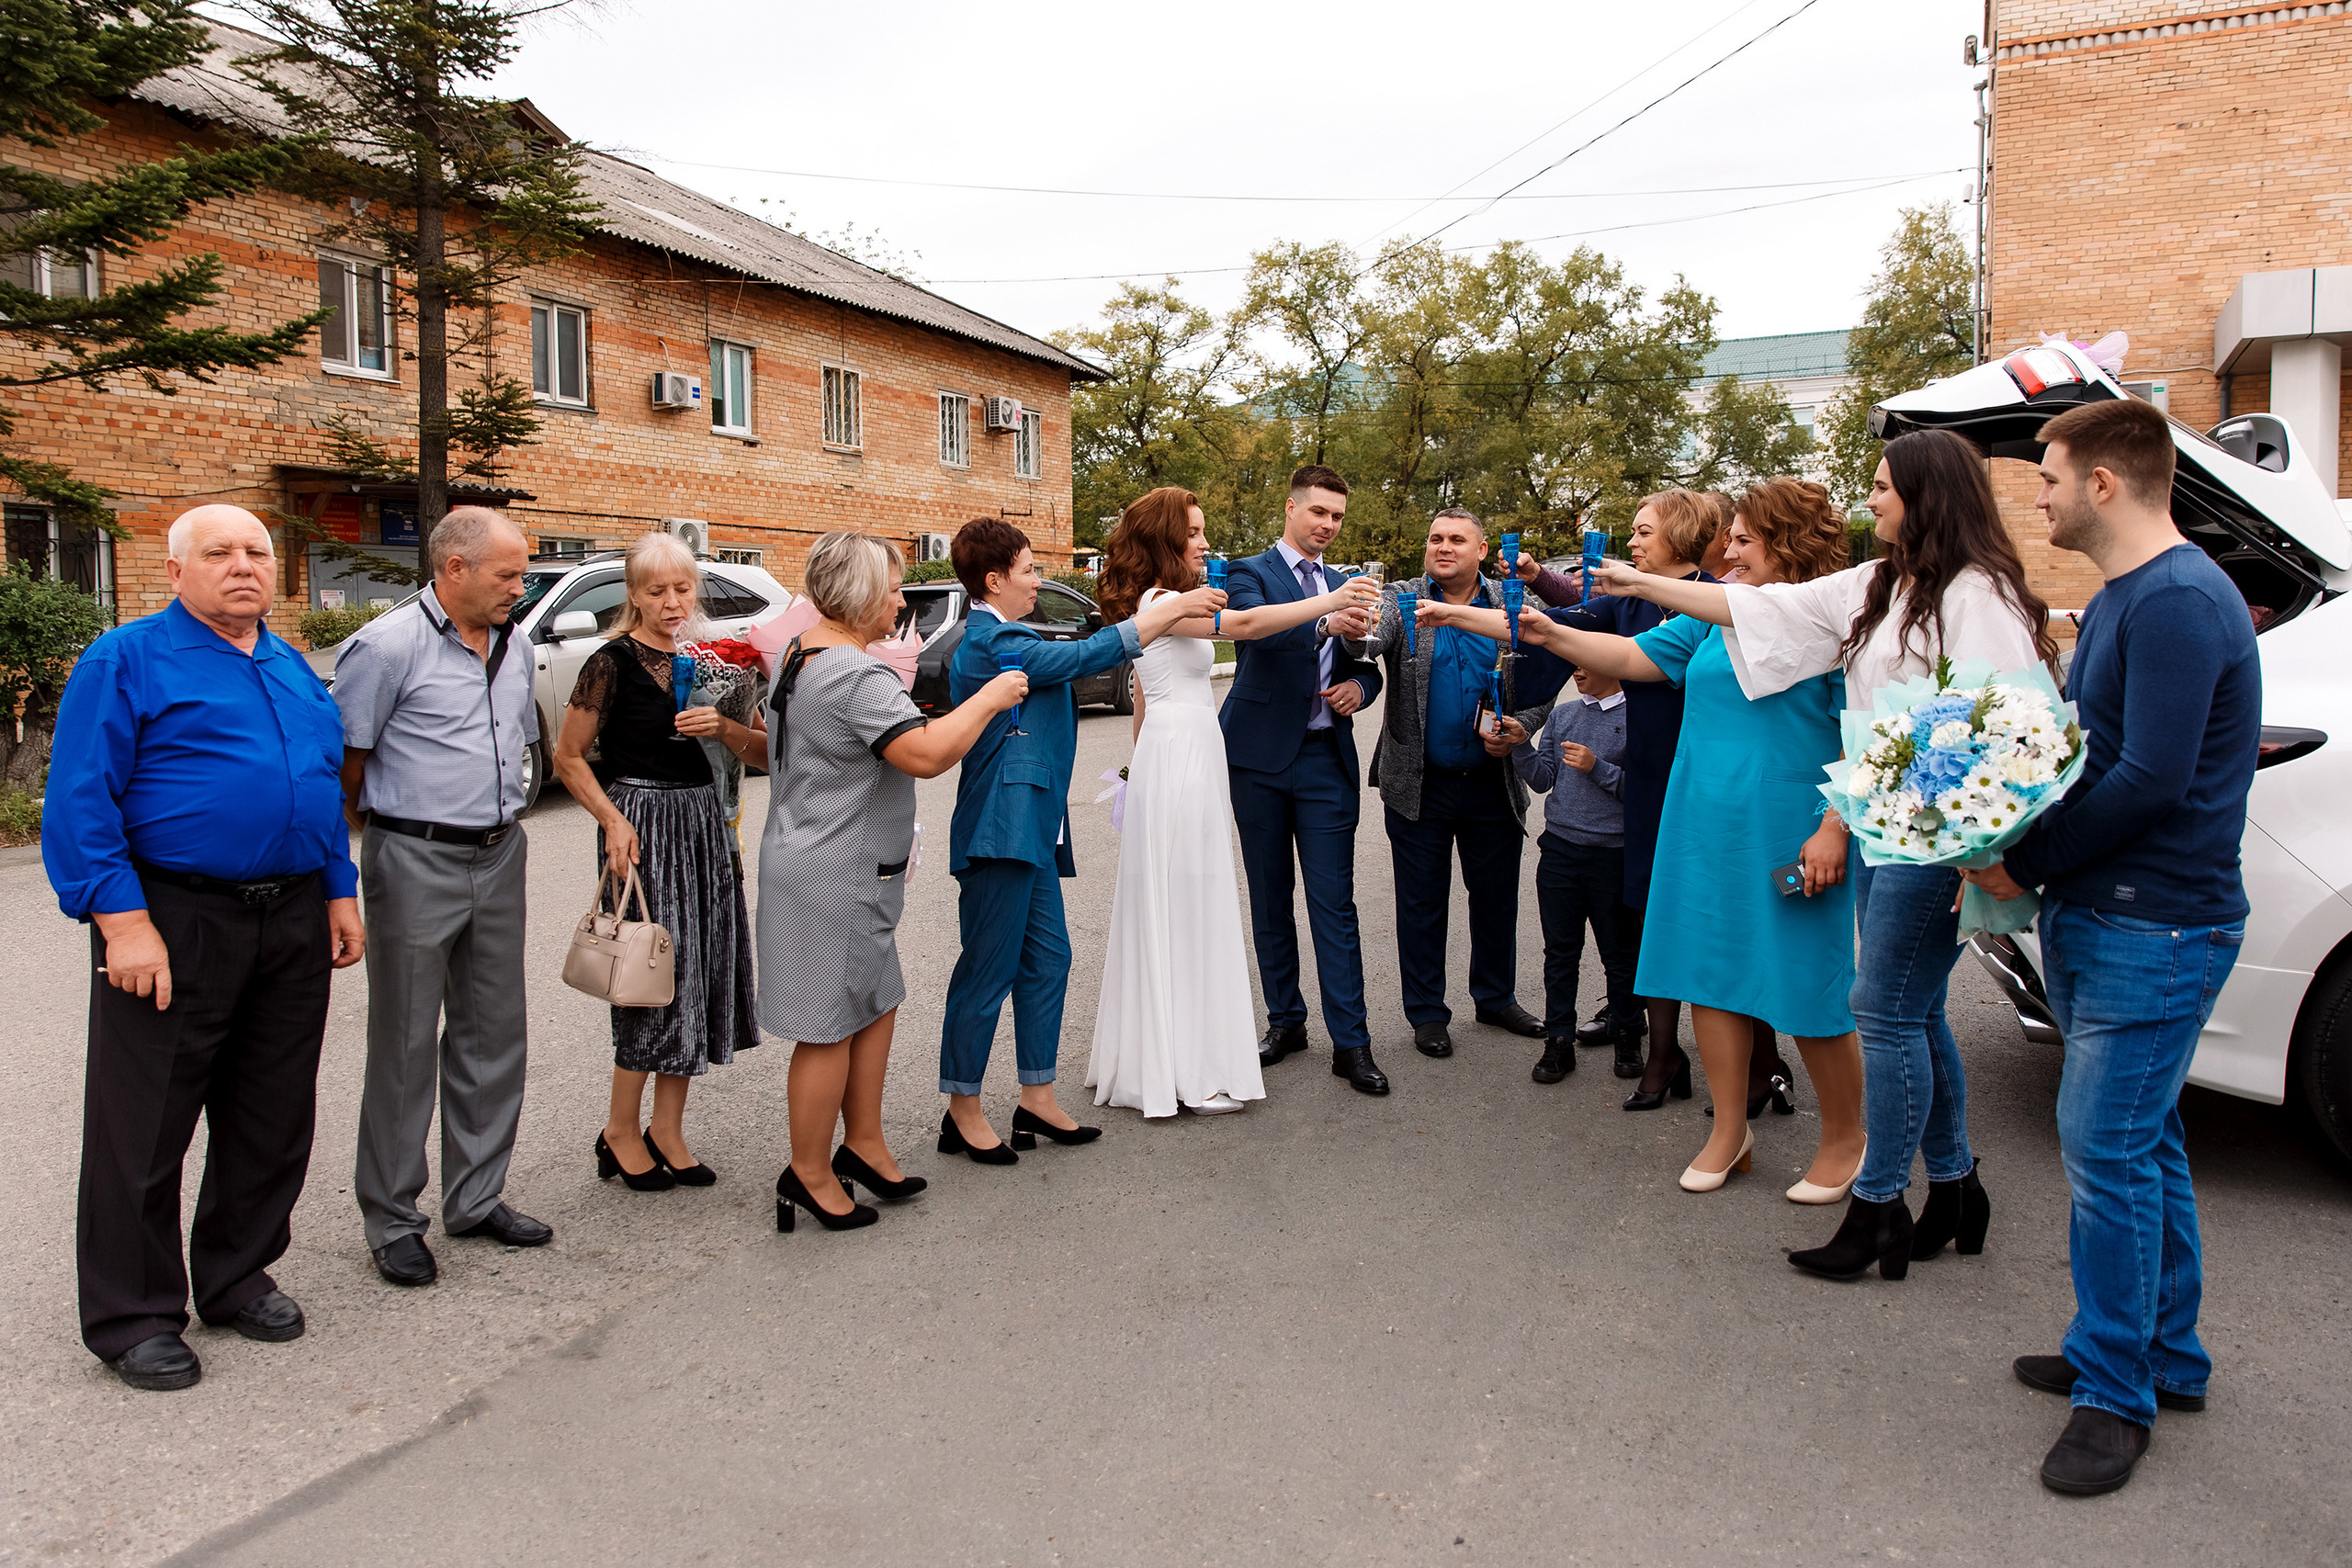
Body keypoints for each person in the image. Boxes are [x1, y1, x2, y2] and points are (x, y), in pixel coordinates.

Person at [1596, 432, 2052, 1254]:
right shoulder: (1887, 582)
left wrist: (1986, 846)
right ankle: (1953, 1185)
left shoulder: (1973, 593)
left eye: (1882, 485)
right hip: (1887, 828)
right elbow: (1760, 609)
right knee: (1913, 1015)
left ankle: (1879, 1201)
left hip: (1929, 838)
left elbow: (2006, 722)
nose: (1869, 498)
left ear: (1929, 494)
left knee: (1880, 1011)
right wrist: (1644, 582)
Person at [1962, 398, 2257, 1497]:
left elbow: (2152, 778)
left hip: (2156, 921)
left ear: (2103, 483)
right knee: (2145, 1144)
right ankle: (2162, 1356)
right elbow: (2089, 754)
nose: (2034, 493)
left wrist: (2019, 865)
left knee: (2104, 1153)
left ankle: (2113, 1395)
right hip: (2109, 913)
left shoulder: (2177, 599)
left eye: (2046, 474)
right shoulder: (2131, 596)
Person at [1426, 479, 1863, 1194]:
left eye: (1747, 539)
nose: (1732, 549)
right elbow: (1630, 656)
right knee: (1707, 977)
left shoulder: (1837, 624)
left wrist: (1835, 825)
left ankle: (1845, 1139)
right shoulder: (1713, 618)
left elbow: (1866, 732)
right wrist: (1544, 630)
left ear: (1790, 543)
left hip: (1794, 829)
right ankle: (1729, 1130)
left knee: (1805, 980)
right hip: (1700, 822)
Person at [43, 505, 365, 1391]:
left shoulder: (291, 666)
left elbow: (317, 785)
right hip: (173, 918)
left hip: (293, 915)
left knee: (270, 1112)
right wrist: (122, 921)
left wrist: (339, 888)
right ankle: (134, 1314)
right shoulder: (127, 659)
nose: (241, 566)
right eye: (217, 552)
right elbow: (79, 800)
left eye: (256, 552)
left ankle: (235, 1273)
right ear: (175, 568)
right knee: (142, 1125)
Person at [756, 533, 1028, 1229]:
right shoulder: (855, 673)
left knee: (876, 1001)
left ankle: (865, 1145)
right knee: (827, 1027)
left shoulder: (801, 652)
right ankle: (810, 1173)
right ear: (855, 595)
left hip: (823, 861)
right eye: (891, 589)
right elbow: (928, 754)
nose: (900, 602)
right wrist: (993, 697)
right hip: (837, 873)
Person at [937, 518, 1224, 1159]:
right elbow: (1075, 659)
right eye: (1030, 569)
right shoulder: (989, 641)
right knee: (987, 973)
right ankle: (961, 1109)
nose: (1038, 579)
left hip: (1032, 828)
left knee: (1049, 961)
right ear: (994, 579)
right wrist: (1165, 611)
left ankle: (1036, 1098)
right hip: (999, 831)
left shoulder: (1008, 633)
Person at [1087, 488, 1377, 1118]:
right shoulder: (1163, 601)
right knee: (1192, 902)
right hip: (1187, 760)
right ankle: (1180, 1065)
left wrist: (1137, 775)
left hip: (1182, 756)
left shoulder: (1169, 600)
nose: (1203, 541)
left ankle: (1178, 1052)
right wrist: (1330, 601)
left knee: (1188, 900)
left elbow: (1141, 693)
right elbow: (1243, 627)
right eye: (1192, 531)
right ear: (1165, 539)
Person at [1511, 494, 1791, 1106]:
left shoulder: (1724, 605)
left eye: (1642, 531)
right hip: (1650, 787)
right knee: (1656, 924)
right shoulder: (1636, 605)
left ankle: (1762, 1060)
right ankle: (1664, 1053)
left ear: (1683, 535)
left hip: (1717, 789)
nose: (1630, 542)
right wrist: (1467, 616)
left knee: (1734, 925)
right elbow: (1572, 628)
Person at [334, 505, 550, 1287]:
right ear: (453, 569)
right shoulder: (385, 647)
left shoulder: (515, 644)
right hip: (415, 855)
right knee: (403, 1041)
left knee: (494, 1033)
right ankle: (393, 1219)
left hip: (499, 852)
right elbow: (347, 768)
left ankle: (477, 1195)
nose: (518, 588)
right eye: (508, 575)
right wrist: (378, 849)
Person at [552, 532, 765, 1194]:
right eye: (656, 590)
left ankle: (667, 1129)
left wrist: (723, 728)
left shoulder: (710, 663)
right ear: (633, 593)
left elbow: (761, 752)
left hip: (704, 822)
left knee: (695, 971)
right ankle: (621, 1128)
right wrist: (612, 818)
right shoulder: (609, 661)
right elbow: (567, 756)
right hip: (641, 824)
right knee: (650, 972)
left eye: (682, 589)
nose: (672, 602)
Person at [1341, 507, 1562, 1058]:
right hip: (1421, 782)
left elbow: (1548, 673)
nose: (1443, 547)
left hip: (1493, 779)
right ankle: (1427, 1013)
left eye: (1457, 540)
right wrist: (1351, 635)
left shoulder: (1516, 603)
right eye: (1435, 538)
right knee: (1421, 902)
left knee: (1494, 898)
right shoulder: (1403, 597)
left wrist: (1521, 729)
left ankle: (1495, 997)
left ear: (1482, 550)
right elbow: (1369, 639)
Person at [1221, 465, 1390, 1094]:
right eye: (1318, 511)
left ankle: (1353, 1043)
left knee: (1333, 903)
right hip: (1258, 760)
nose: (1327, 524)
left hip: (1325, 761)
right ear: (1291, 508)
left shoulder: (1349, 582)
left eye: (1338, 516)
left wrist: (1360, 686)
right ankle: (1286, 1020)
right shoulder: (1248, 572)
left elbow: (1368, 661)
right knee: (1270, 899)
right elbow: (1257, 634)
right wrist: (1325, 619)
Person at [1512, 665, 1637, 1085]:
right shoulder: (1564, 714)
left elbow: (1644, 791)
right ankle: (1559, 1040)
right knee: (1560, 952)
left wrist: (1596, 767)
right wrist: (1519, 746)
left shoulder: (1637, 716)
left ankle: (1627, 1035)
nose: (1577, 670)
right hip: (1561, 850)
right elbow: (1543, 779)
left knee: (1618, 954)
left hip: (1613, 855)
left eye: (1586, 662)